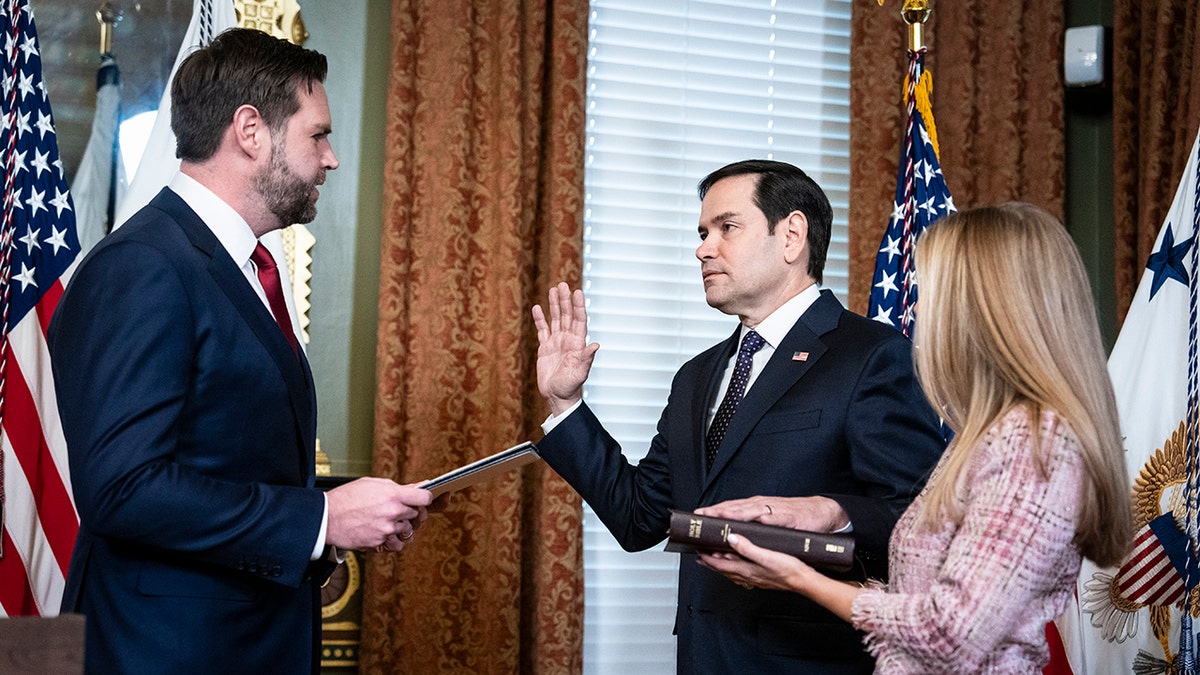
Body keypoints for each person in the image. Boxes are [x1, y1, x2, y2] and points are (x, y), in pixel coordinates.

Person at [48, 28, 433, 673]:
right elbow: (125, 488)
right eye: (317, 135)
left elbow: (227, 462)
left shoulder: (241, 266)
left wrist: (344, 514)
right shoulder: (143, 265)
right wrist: (321, 518)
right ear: (250, 131)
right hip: (167, 651)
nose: (331, 158)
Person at [532, 159, 946, 673]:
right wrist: (565, 404)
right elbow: (641, 518)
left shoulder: (871, 355)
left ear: (791, 236)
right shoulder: (696, 376)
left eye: (726, 228)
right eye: (703, 233)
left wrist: (830, 512)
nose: (703, 248)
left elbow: (924, 518)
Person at [697, 202, 1133, 673]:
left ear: (988, 306)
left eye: (933, 291)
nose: (921, 308)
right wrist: (810, 531)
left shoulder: (1033, 440)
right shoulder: (987, 434)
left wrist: (798, 578)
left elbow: (948, 634)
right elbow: (923, 600)